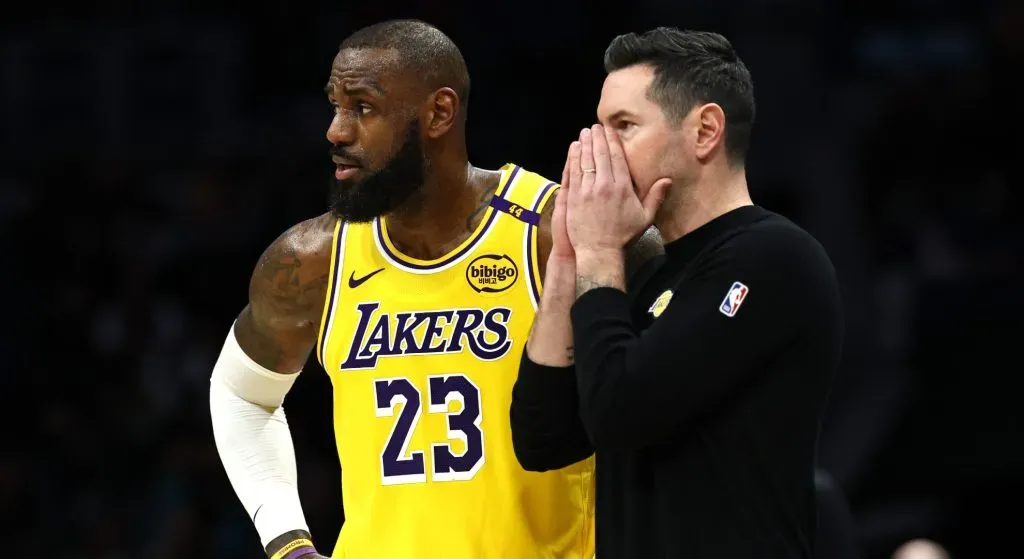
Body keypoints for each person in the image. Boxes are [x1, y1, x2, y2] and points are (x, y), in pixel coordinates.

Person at [208, 19, 658, 559]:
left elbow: (690, 386)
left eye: (362, 107)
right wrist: (288, 543)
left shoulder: (559, 234)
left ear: (439, 113)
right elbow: (241, 396)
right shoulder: (312, 260)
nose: (335, 130)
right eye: (334, 105)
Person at [509, 27, 844, 558]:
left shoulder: (774, 257)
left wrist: (598, 252)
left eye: (623, 127)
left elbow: (620, 414)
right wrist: (569, 261)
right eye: (597, 129)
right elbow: (542, 439)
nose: (600, 155)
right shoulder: (639, 275)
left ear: (706, 131)